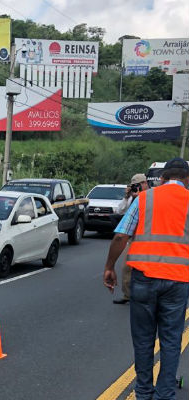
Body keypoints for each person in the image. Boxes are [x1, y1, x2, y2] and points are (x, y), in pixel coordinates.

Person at [103, 157, 189, 400]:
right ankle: (164, 395)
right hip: (178, 281)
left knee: (143, 340)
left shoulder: (144, 199)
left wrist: (109, 267)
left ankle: (143, 393)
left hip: (143, 279)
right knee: (171, 341)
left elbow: (121, 236)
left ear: (162, 179)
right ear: (187, 179)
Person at [113, 173, 149, 305]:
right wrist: (127, 196)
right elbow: (119, 210)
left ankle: (147, 295)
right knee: (127, 267)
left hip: (147, 238)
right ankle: (128, 294)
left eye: (138, 185)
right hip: (133, 238)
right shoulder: (131, 198)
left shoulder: (151, 196)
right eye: (134, 185)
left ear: (145, 183)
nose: (137, 187)